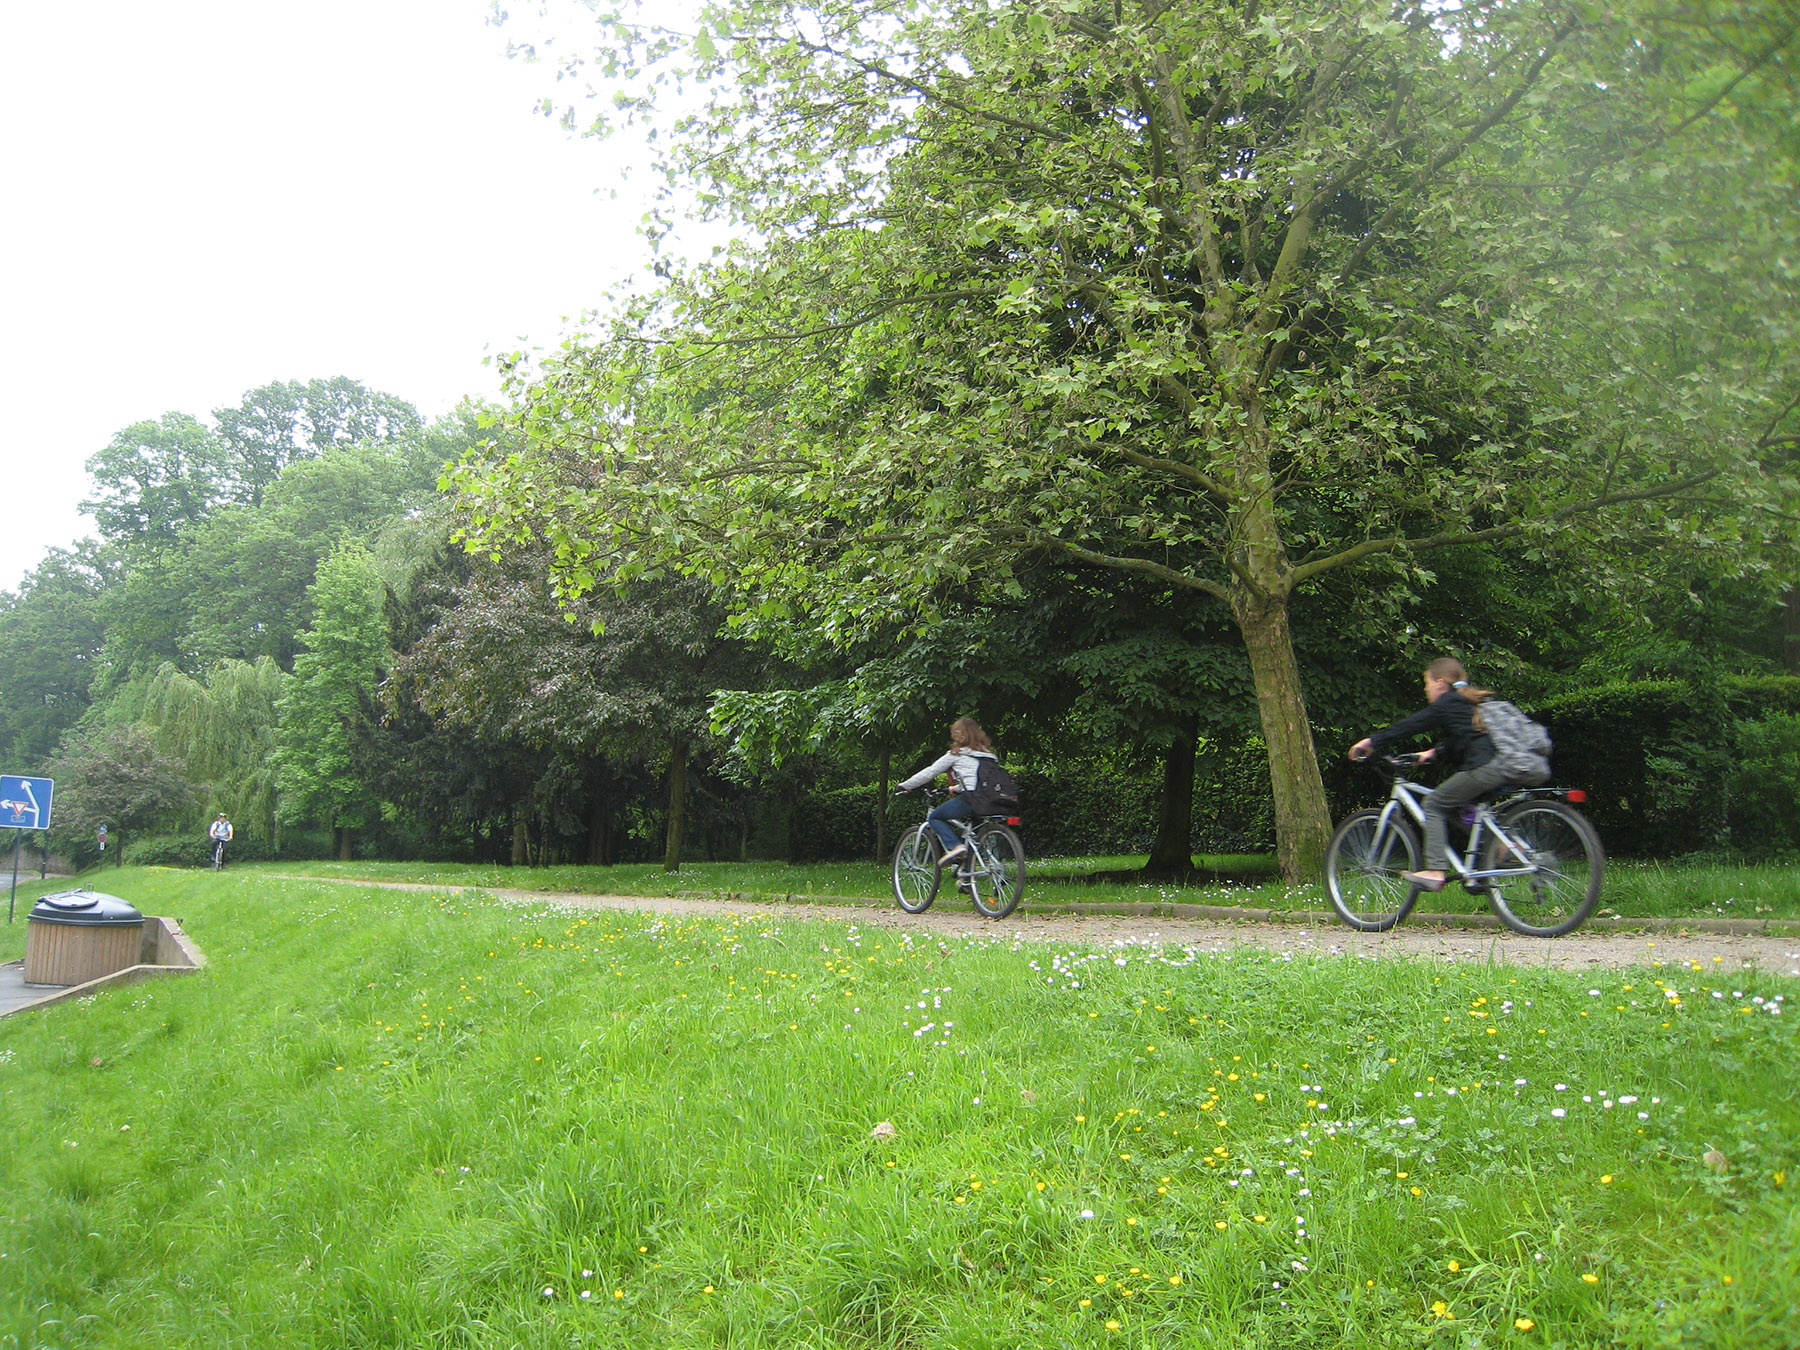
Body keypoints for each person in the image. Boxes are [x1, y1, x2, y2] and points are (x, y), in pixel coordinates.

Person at [1347, 657, 1549, 892]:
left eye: (1427, 683)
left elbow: (1413, 724)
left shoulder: (1448, 702)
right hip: (1504, 766)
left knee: (1433, 803)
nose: (1426, 689)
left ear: (1440, 683)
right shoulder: (1467, 703)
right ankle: (1505, 850)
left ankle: (1435, 870)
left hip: (1486, 768)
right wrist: (1429, 754)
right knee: (1458, 809)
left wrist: (1373, 741)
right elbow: (1462, 740)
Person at [895, 717, 1000, 868]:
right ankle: (967, 878)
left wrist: (906, 785)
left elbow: (930, 772)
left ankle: (955, 847)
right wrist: (954, 789)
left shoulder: (956, 754)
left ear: (960, 735)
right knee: (972, 836)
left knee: (935, 817)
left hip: (972, 799)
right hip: (992, 800)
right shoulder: (989, 755)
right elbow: (979, 780)